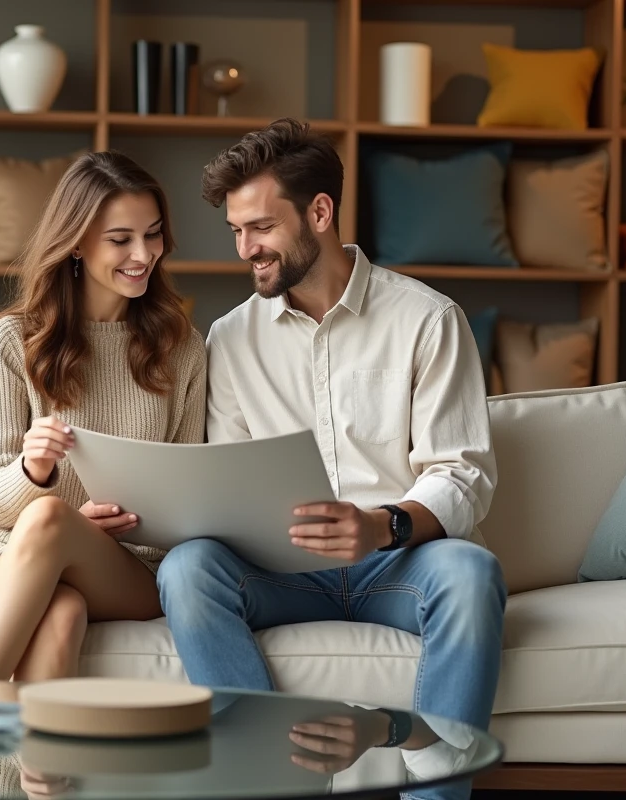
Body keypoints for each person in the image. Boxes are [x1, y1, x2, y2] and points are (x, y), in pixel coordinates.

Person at [156, 119, 505, 799]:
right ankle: (269, 782)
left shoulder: (427, 320)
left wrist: (382, 527)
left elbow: (462, 474)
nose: (244, 248)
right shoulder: (229, 338)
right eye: (235, 230)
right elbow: (225, 476)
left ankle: (435, 796)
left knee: (471, 574)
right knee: (188, 569)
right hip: (281, 572)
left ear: (319, 212)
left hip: (397, 563)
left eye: (259, 227)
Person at [0, 151, 207, 685]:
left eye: (152, 235)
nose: (143, 254)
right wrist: (33, 471)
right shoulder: (13, 342)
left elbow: (189, 503)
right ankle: (40, 771)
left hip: (128, 567)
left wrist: (82, 534)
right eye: (120, 239)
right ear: (78, 242)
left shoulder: (182, 350)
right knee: (60, 615)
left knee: (50, 521)